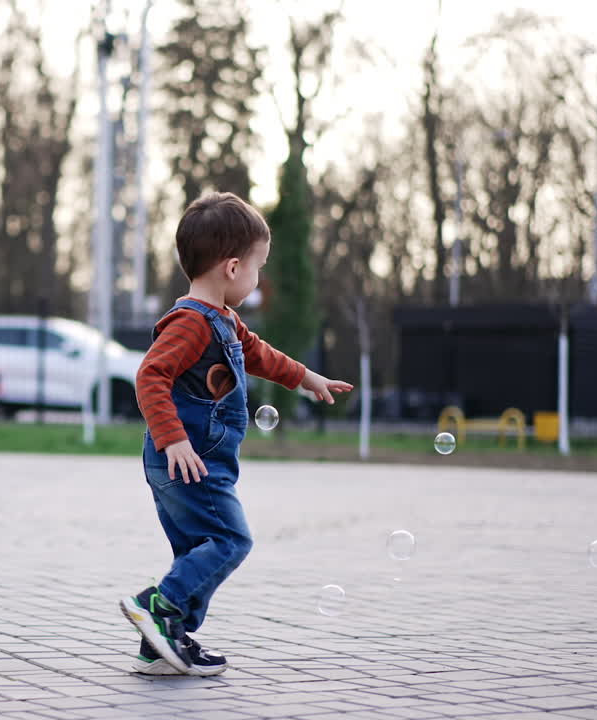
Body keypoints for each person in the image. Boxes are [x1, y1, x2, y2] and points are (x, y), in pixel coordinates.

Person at [119, 191, 353, 676]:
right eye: (257, 267)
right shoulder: (191, 323)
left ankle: (163, 645)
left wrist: (306, 377)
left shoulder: (223, 321)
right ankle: (158, 607)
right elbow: (150, 377)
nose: (258, 278)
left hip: (194, 458)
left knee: (196, 551)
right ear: (231, 268)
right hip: (188, 458)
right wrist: (174, 438)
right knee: (231, 540)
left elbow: (261, 354)